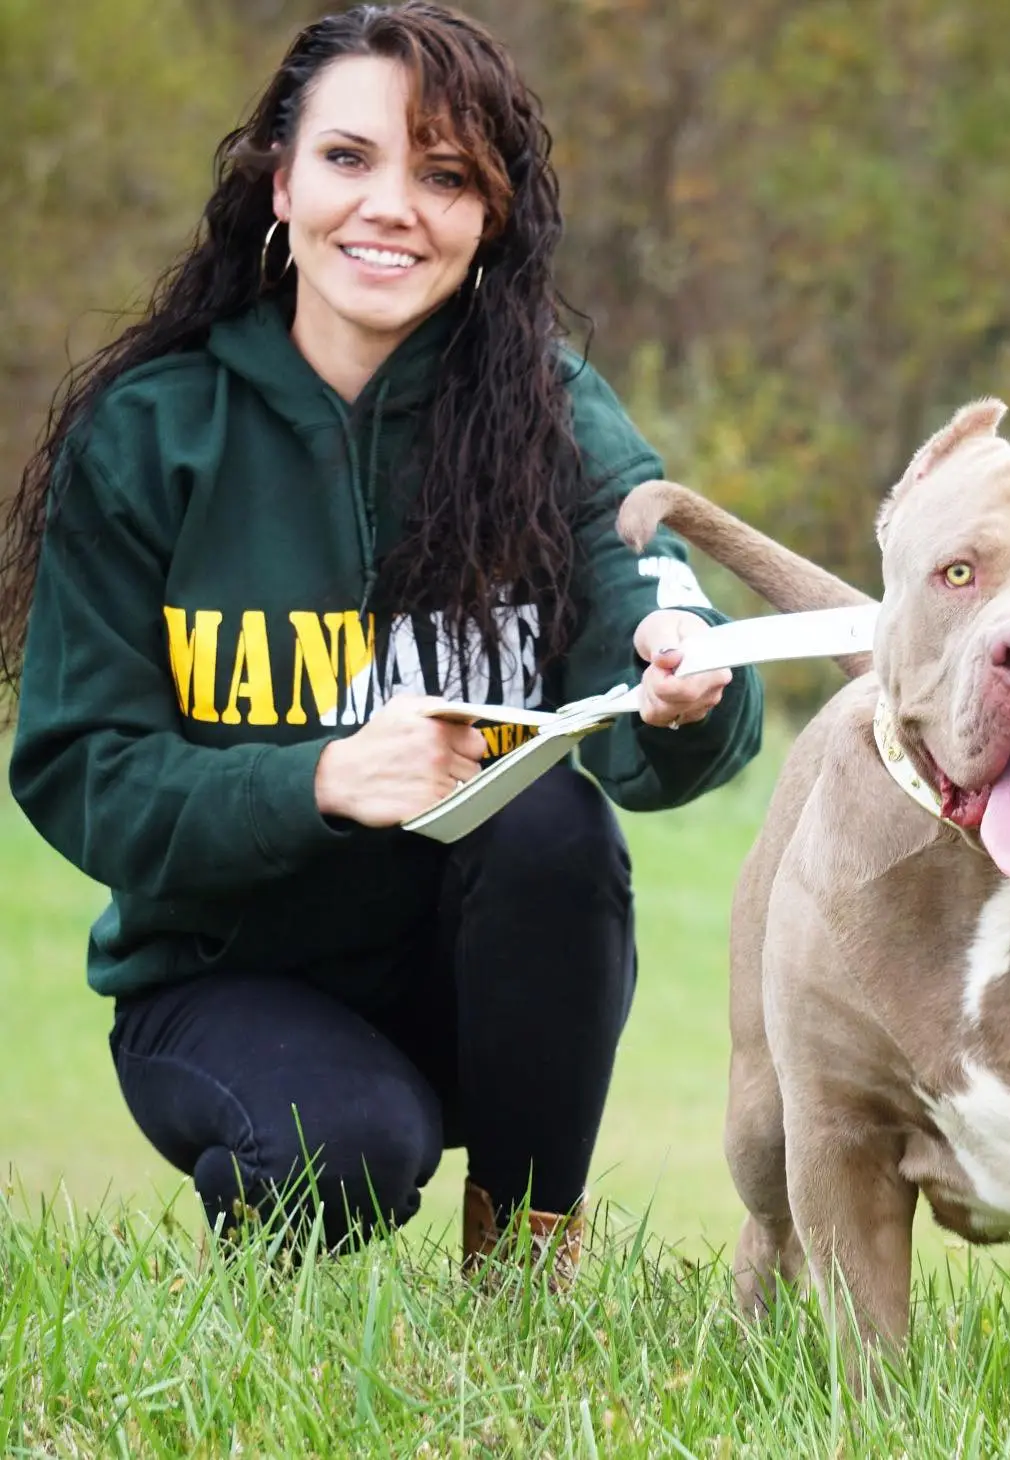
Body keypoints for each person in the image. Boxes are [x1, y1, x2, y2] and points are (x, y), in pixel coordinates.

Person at [0, 0, 762, 1281]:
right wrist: (320, 777)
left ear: (490, 216)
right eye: (350, 158)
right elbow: (80, 769)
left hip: (480, 993)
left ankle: (524, 1265)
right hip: (219, 980)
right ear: (280, 181)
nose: (392, 204)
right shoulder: (153, 434)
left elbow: (651, 607)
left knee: (556, 824)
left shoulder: (550, 413)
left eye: (445, 173)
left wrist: (682, 671)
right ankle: (289, 1227)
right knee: (346, 1142)